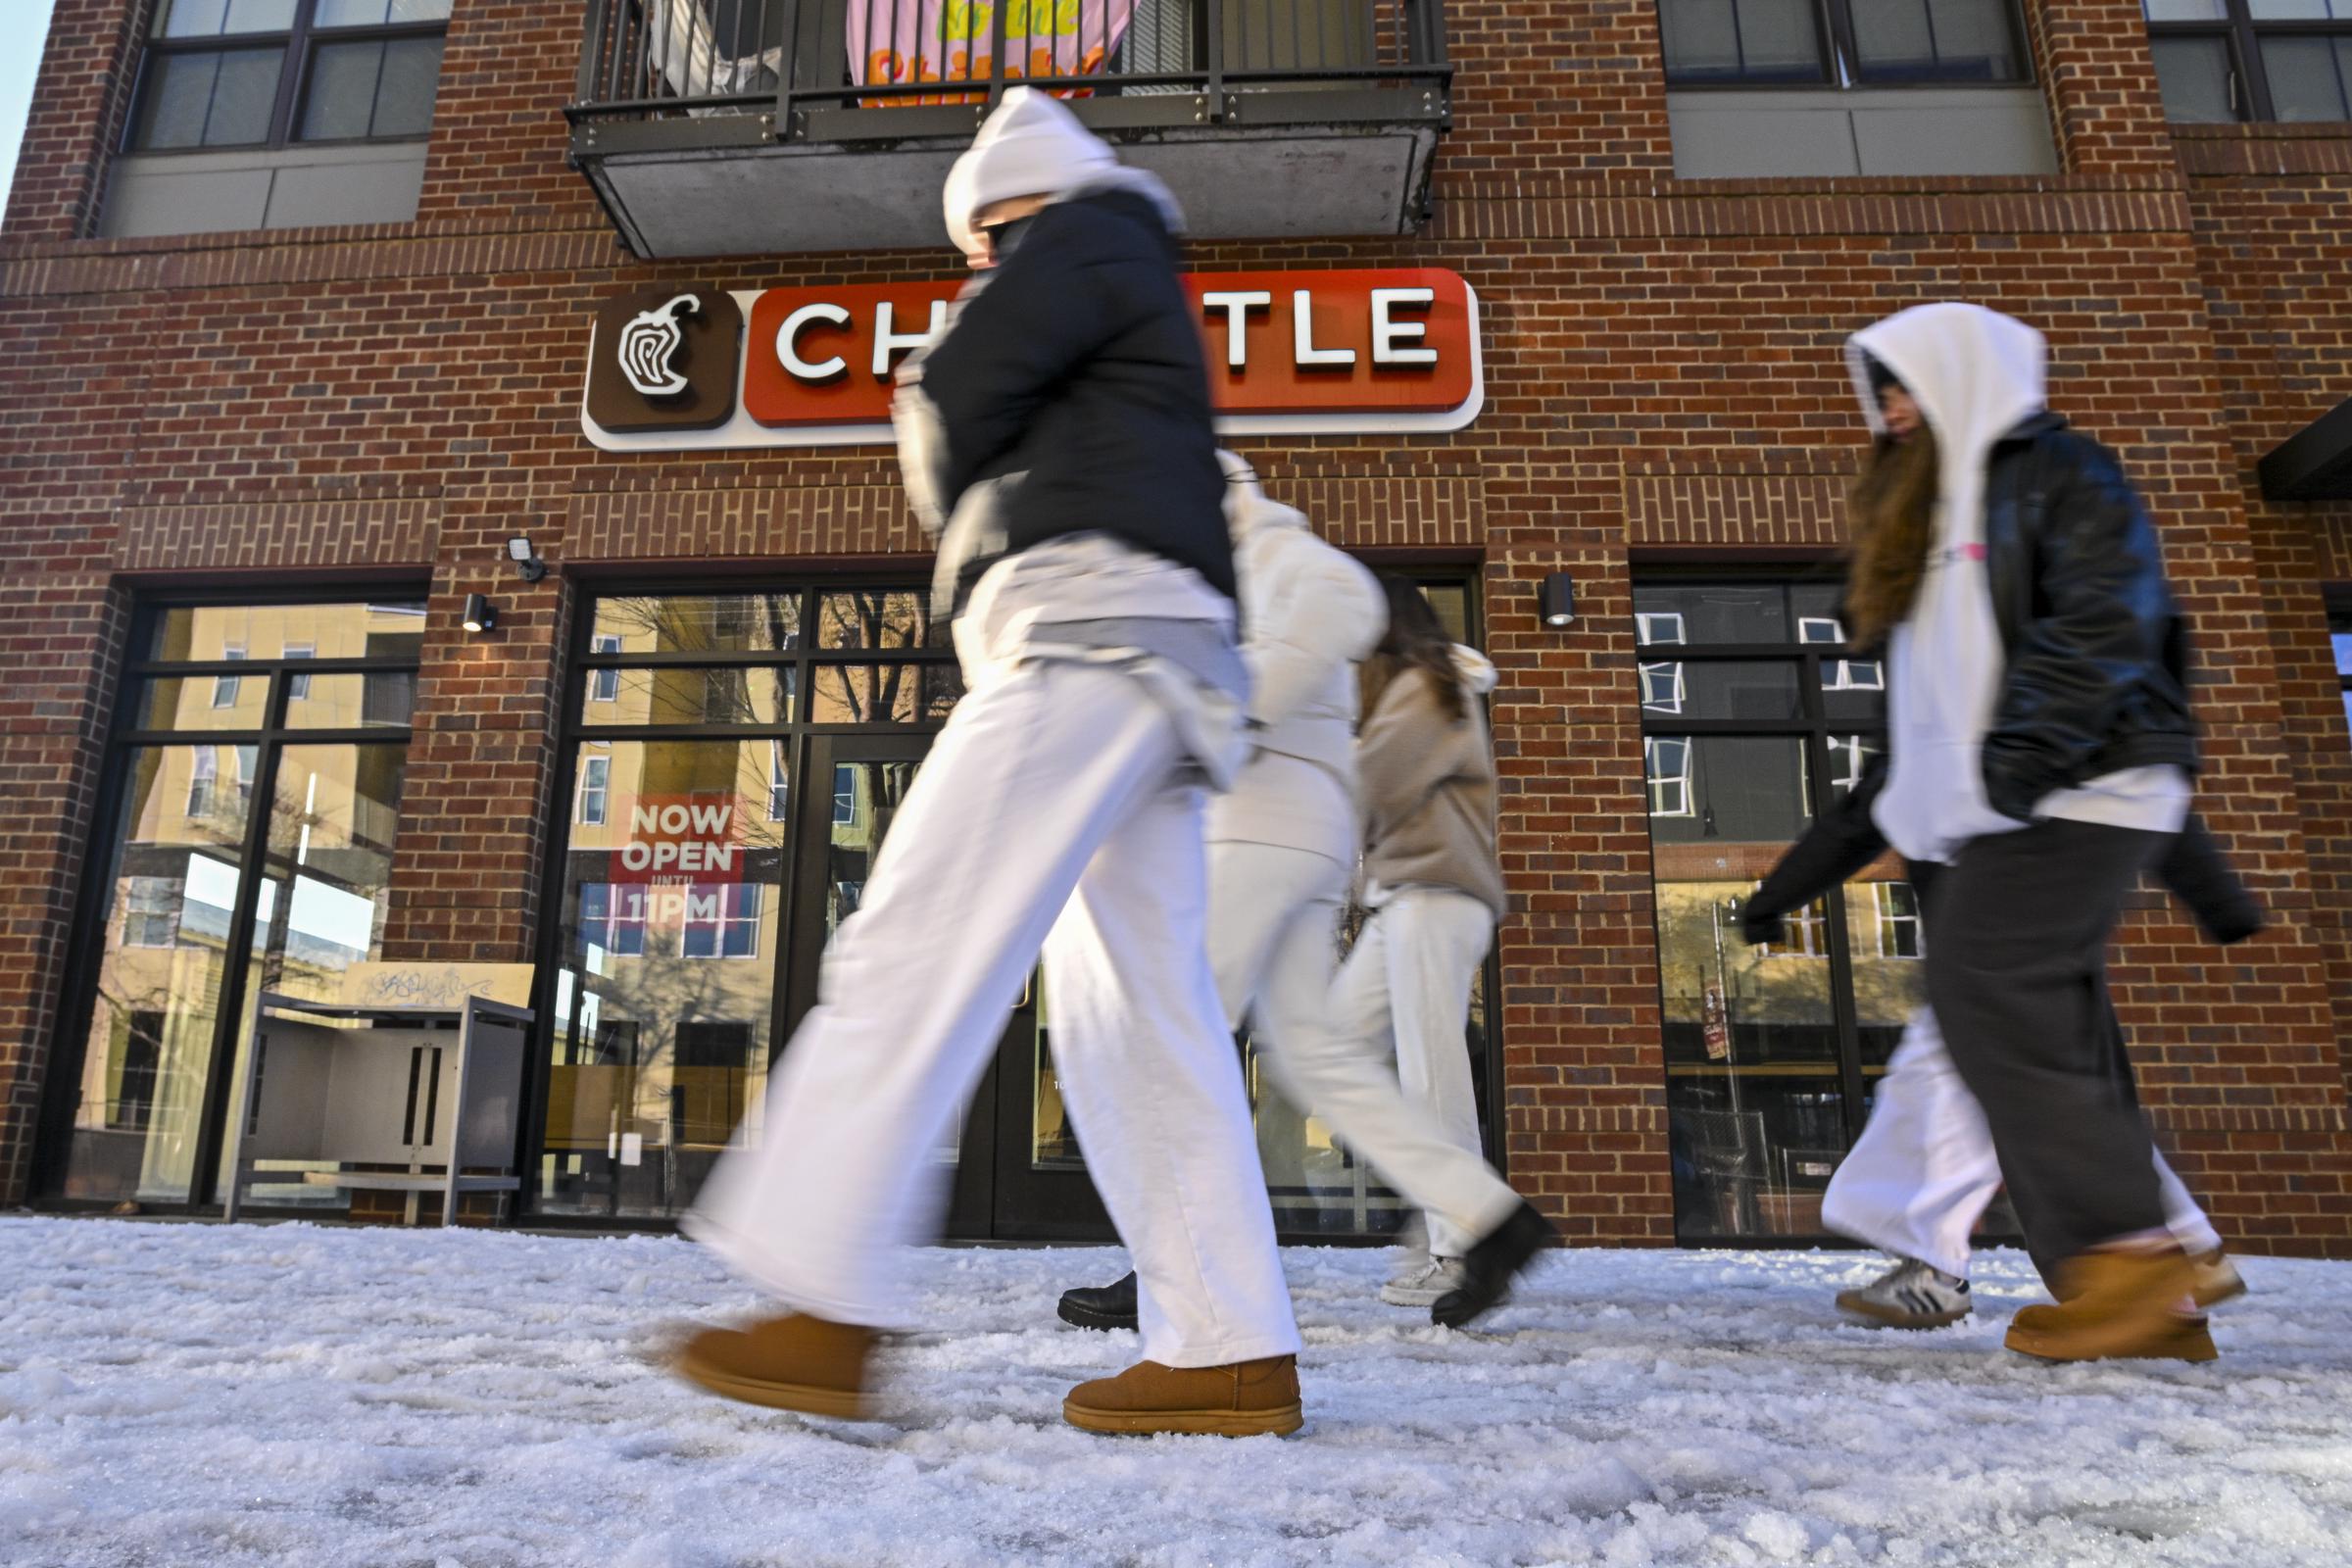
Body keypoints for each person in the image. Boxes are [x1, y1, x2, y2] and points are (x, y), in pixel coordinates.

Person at [673, 88, 1303, 1438]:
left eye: (974, 249)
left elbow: (960, 397)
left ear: (1003, 214)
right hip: (1161, 662)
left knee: (914, 946)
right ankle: (1227, 1347)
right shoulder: (1133, 261)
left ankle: (815, 1304)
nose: (971, 272)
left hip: (1080, 640)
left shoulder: (1080, 236)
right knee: (1137, 1017)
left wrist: (934, 411)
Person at [1055, 462, 1549, 1337]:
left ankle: (1177, 1264)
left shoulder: (1294, 572)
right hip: (1314, 850)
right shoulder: (1245, 577)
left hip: (1295, 845)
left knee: (1179, 1035)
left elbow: (1261, 700)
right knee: (1312, 1056)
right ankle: (1488, 1219)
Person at [1833, 302, 2205, 1362]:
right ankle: (2153, 1289)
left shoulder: (2056, 471)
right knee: (2013, 1014)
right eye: (1880, 390)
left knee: (1990, 999)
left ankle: (2141, 1264)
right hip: (2014, 801)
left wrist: (2014, 766)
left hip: (2077, 785)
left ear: (1961, 373)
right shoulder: (1939, 503)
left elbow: (2107, 621)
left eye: (1905, 383)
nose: (1890, 409)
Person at [1740, 778, 2257, 1353]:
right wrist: (2215, 893)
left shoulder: (1969, 709)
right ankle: (2179, 1259)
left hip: (1993, 926)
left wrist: (1772, 899)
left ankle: (1938, 1271)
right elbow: (2144, 770)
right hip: (2049, 928)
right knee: (2062, 1096)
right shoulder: (2059, 714)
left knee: (1947, 1087)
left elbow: (1865, 810)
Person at [1331, 577, 1548, 1327]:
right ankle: (1445, 1227)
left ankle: (1466, 1242)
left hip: (1436, 897)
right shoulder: (1419, 691)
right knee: (1334, 1048)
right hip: (1408, 900)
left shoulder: (1427, 688)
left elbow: (1369, 784)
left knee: (1432, 1078)